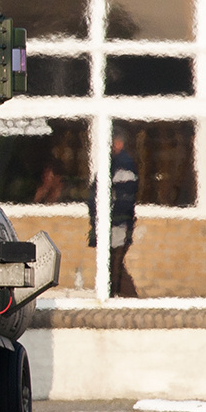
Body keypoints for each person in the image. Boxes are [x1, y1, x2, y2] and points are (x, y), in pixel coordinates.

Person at [88, 127, 140, 297]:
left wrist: (113, 219)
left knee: (113, 262)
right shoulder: (113, 164)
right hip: (112, 222)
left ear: (119, 143)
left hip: (117, 223)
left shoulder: (122, 164)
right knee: (112, 262)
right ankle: (123, 297)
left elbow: (124, 198)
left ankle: (118, 296)